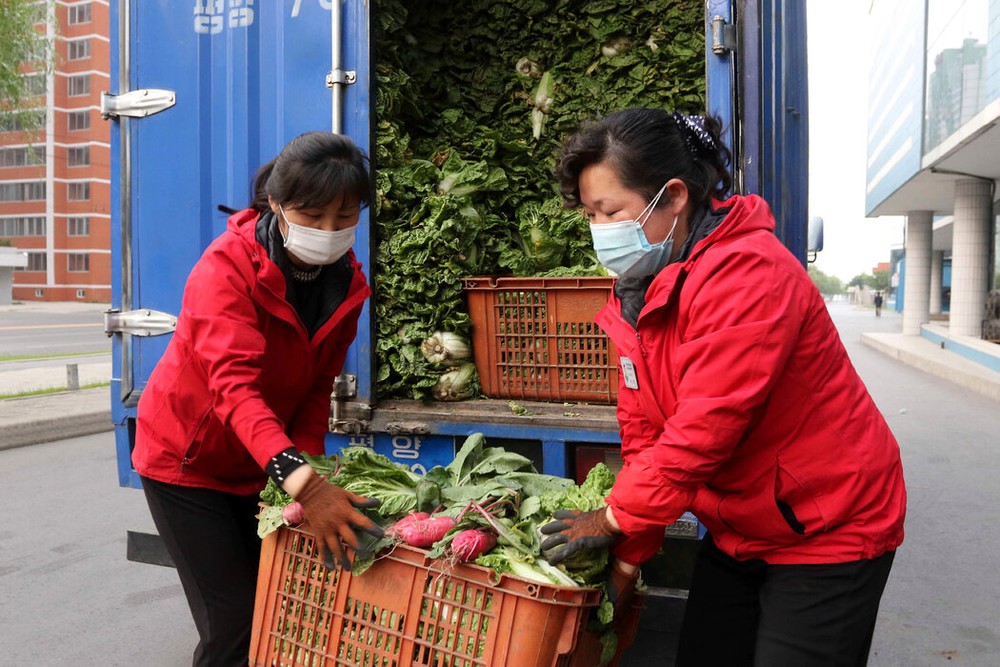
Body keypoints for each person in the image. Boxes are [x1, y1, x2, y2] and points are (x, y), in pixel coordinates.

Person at [539, 108, 906, 665]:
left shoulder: (749, 275)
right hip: (742, 522)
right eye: (590, 215)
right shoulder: (638, 292)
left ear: (675, 197)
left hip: (828, 524)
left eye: (609, 211)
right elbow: (644, 434)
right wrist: (626, 560)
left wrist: (612, 519)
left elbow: (701, 433)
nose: (600, 231)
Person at [132, 131, 383, 667]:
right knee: (235, 623)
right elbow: (234, 387)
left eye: (345, 217)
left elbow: (317, 390)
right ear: (276, 203)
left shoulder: (348, 284)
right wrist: (301, 481)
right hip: (186, 462)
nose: (329, 231)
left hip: (260, 461)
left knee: (279, 609)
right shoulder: (226, 267)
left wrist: (305, 466)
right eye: (313, 216)